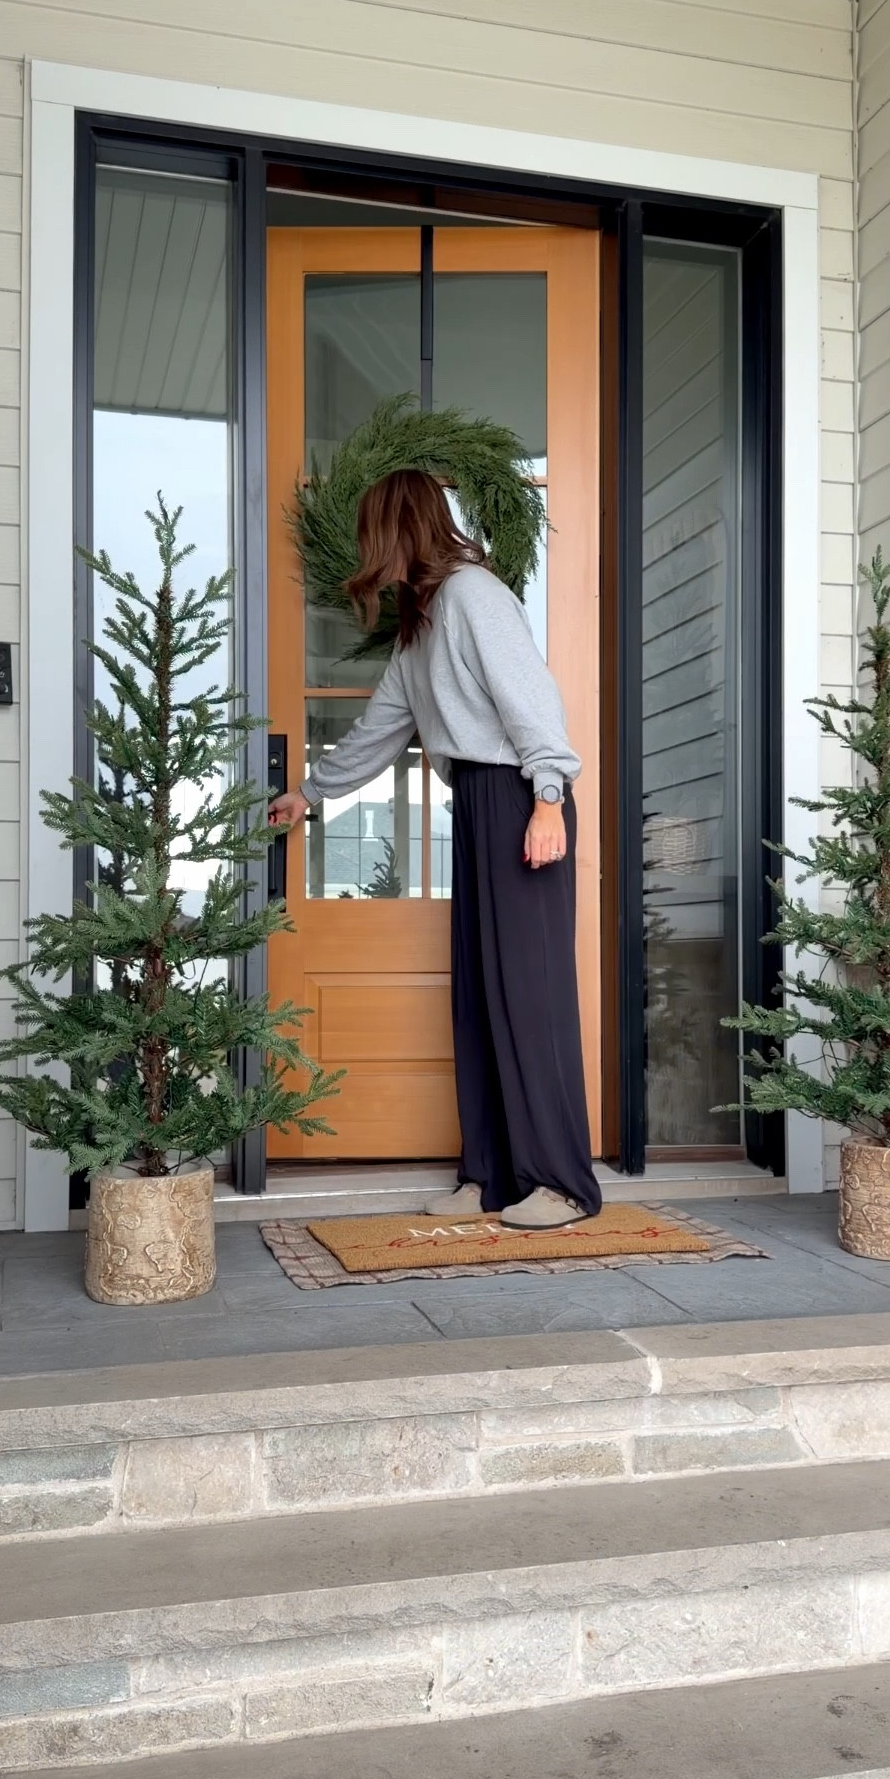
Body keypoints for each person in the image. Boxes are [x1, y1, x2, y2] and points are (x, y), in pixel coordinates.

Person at [270, 469, 602, 1230]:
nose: (366, 552)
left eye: (371, 535)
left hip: (522, 796)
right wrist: (311, 794)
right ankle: (487, 1177)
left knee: (531, 995)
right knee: (482, 998)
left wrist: (548, 796)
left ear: (398, 531)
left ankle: (562, 1183)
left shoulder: (474, 596)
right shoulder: (421, 624)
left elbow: (534, 700)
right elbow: (383, 728)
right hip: (482, 803)